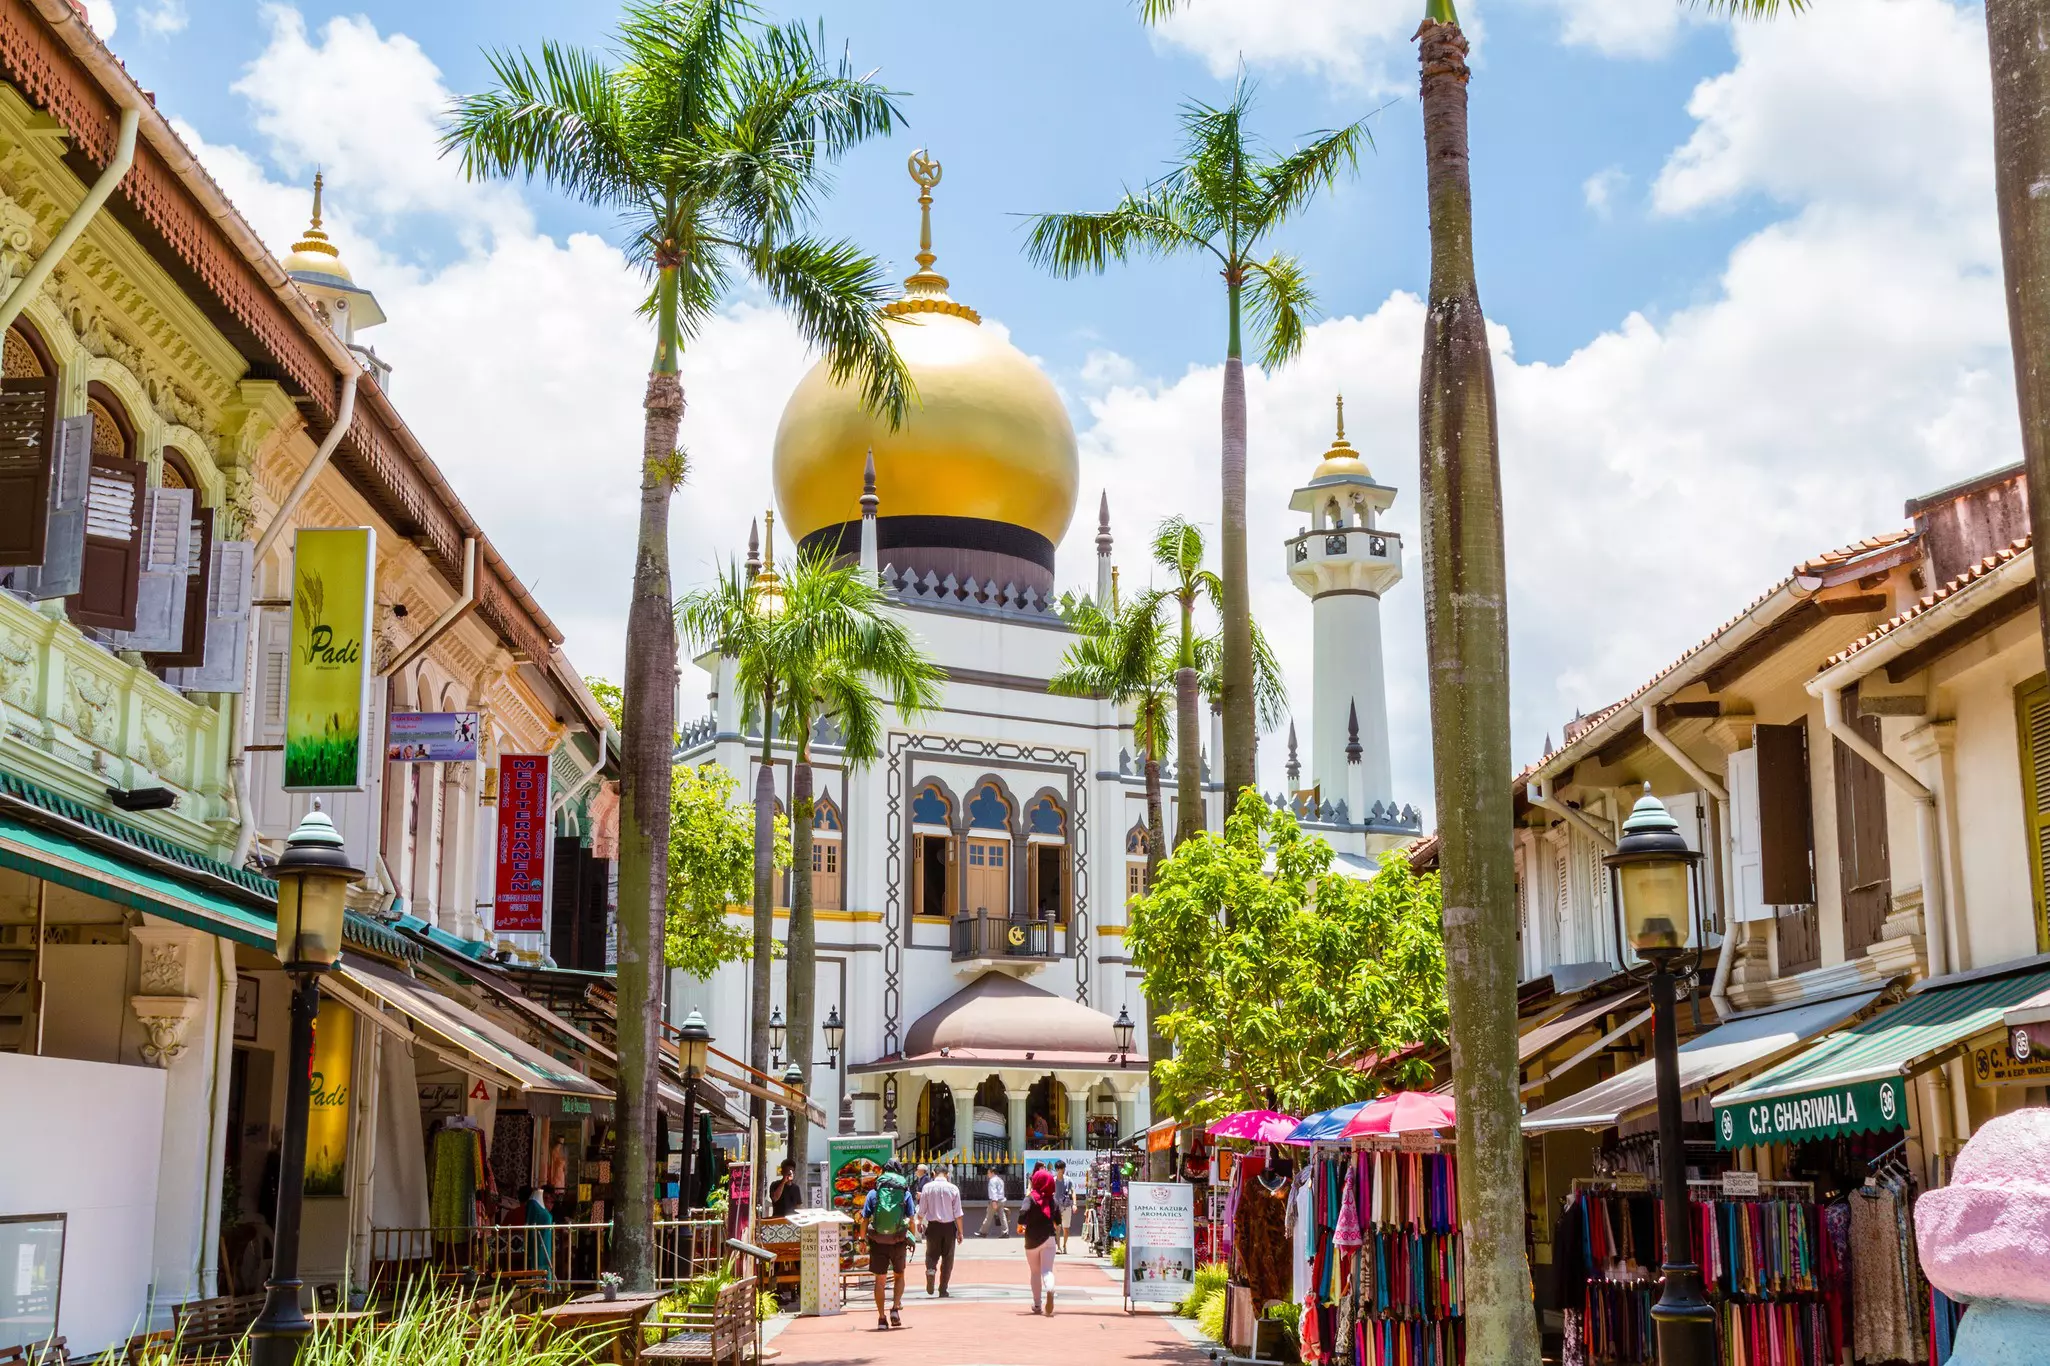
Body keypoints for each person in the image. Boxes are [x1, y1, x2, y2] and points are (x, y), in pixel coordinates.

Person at [862, 1160, 915, 1330]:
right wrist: (912, 1238)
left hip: (878, 1241)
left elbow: (864, 1219)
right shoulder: (905, 1193)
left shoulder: (873, 1193)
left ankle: (881, 1318)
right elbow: (911, 1219)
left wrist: (862, 1240)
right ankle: (895, 1309)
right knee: (899, 1275)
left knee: (880, 1280)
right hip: (898, 1240)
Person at [916, 1164, 963, 1297]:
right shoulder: (953, 1188)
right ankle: (943, 1289)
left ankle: (931, 1270)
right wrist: (960, 1232)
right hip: (949, 1227)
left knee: (931, 1254)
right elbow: (958, 1213)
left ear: (933, 1173)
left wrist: (919, 1222)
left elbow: (922, 1210)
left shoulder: (927, 1187)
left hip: (933, 1226)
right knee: (948, 1258)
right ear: (947, 1174)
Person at [1021, 1168, 1062, 1315]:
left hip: (1032, 1239)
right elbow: (1058, 1221)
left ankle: (1037, 1304)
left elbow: (1022, 1214)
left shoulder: (1030, 1198)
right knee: (1047, 1270)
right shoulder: (1053, 1200)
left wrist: (1023, 1224)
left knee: (1035, 1272)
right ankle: (1050, 1290)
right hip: (1050, 1238)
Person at [521, 1185, 555, 1283]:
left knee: (545, 1265)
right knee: (538, 1264)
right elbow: (529, 1224)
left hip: (545, 1241)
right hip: (537, 1243)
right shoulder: (533, 1204)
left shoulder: (540, 1206)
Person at [979, 1168, 1011, 1238]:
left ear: (992, 1172)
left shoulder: (992, 1181)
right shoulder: (1000, 1180)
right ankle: (1005, 1232)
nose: (987, 1175)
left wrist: (994, 1201)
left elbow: (993, 1191)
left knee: (988, 1216)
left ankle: (983, 1232)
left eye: (988, 1173)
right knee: (1002, 1216)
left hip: (995, 1201)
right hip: (1001, 1200)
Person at [1051, 1159, 1074, 1254]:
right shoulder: (1052, 1180)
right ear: (1057, 1169)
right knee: (1057, 1227)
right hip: (1056, 1207)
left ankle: (1064, 1245)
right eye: (1061, 1168)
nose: (1063, 1170)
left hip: (1067, 1206)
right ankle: (1058, 1247)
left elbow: (1073, 1192)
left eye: (1063, 1168)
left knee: (1066, 1229)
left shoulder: (1068, 1180)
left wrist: (1075, 1204)